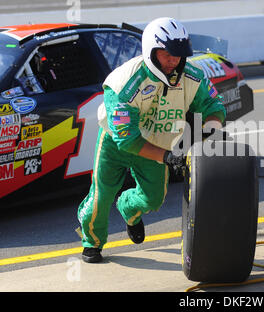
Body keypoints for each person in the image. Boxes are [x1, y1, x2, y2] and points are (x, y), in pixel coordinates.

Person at [77, 17, 226, 263]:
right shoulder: (122, 83)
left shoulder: (193, 76)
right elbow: (127, 139)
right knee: (101, 197)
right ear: (151, 51)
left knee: (154, 198)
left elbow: (213, 104)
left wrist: (209, 131)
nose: (174, 61)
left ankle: (128, 209)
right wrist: (168, 157)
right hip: (117, 144)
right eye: (168, 54)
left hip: (158, 142)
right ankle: (91, 242)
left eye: (179, 54)